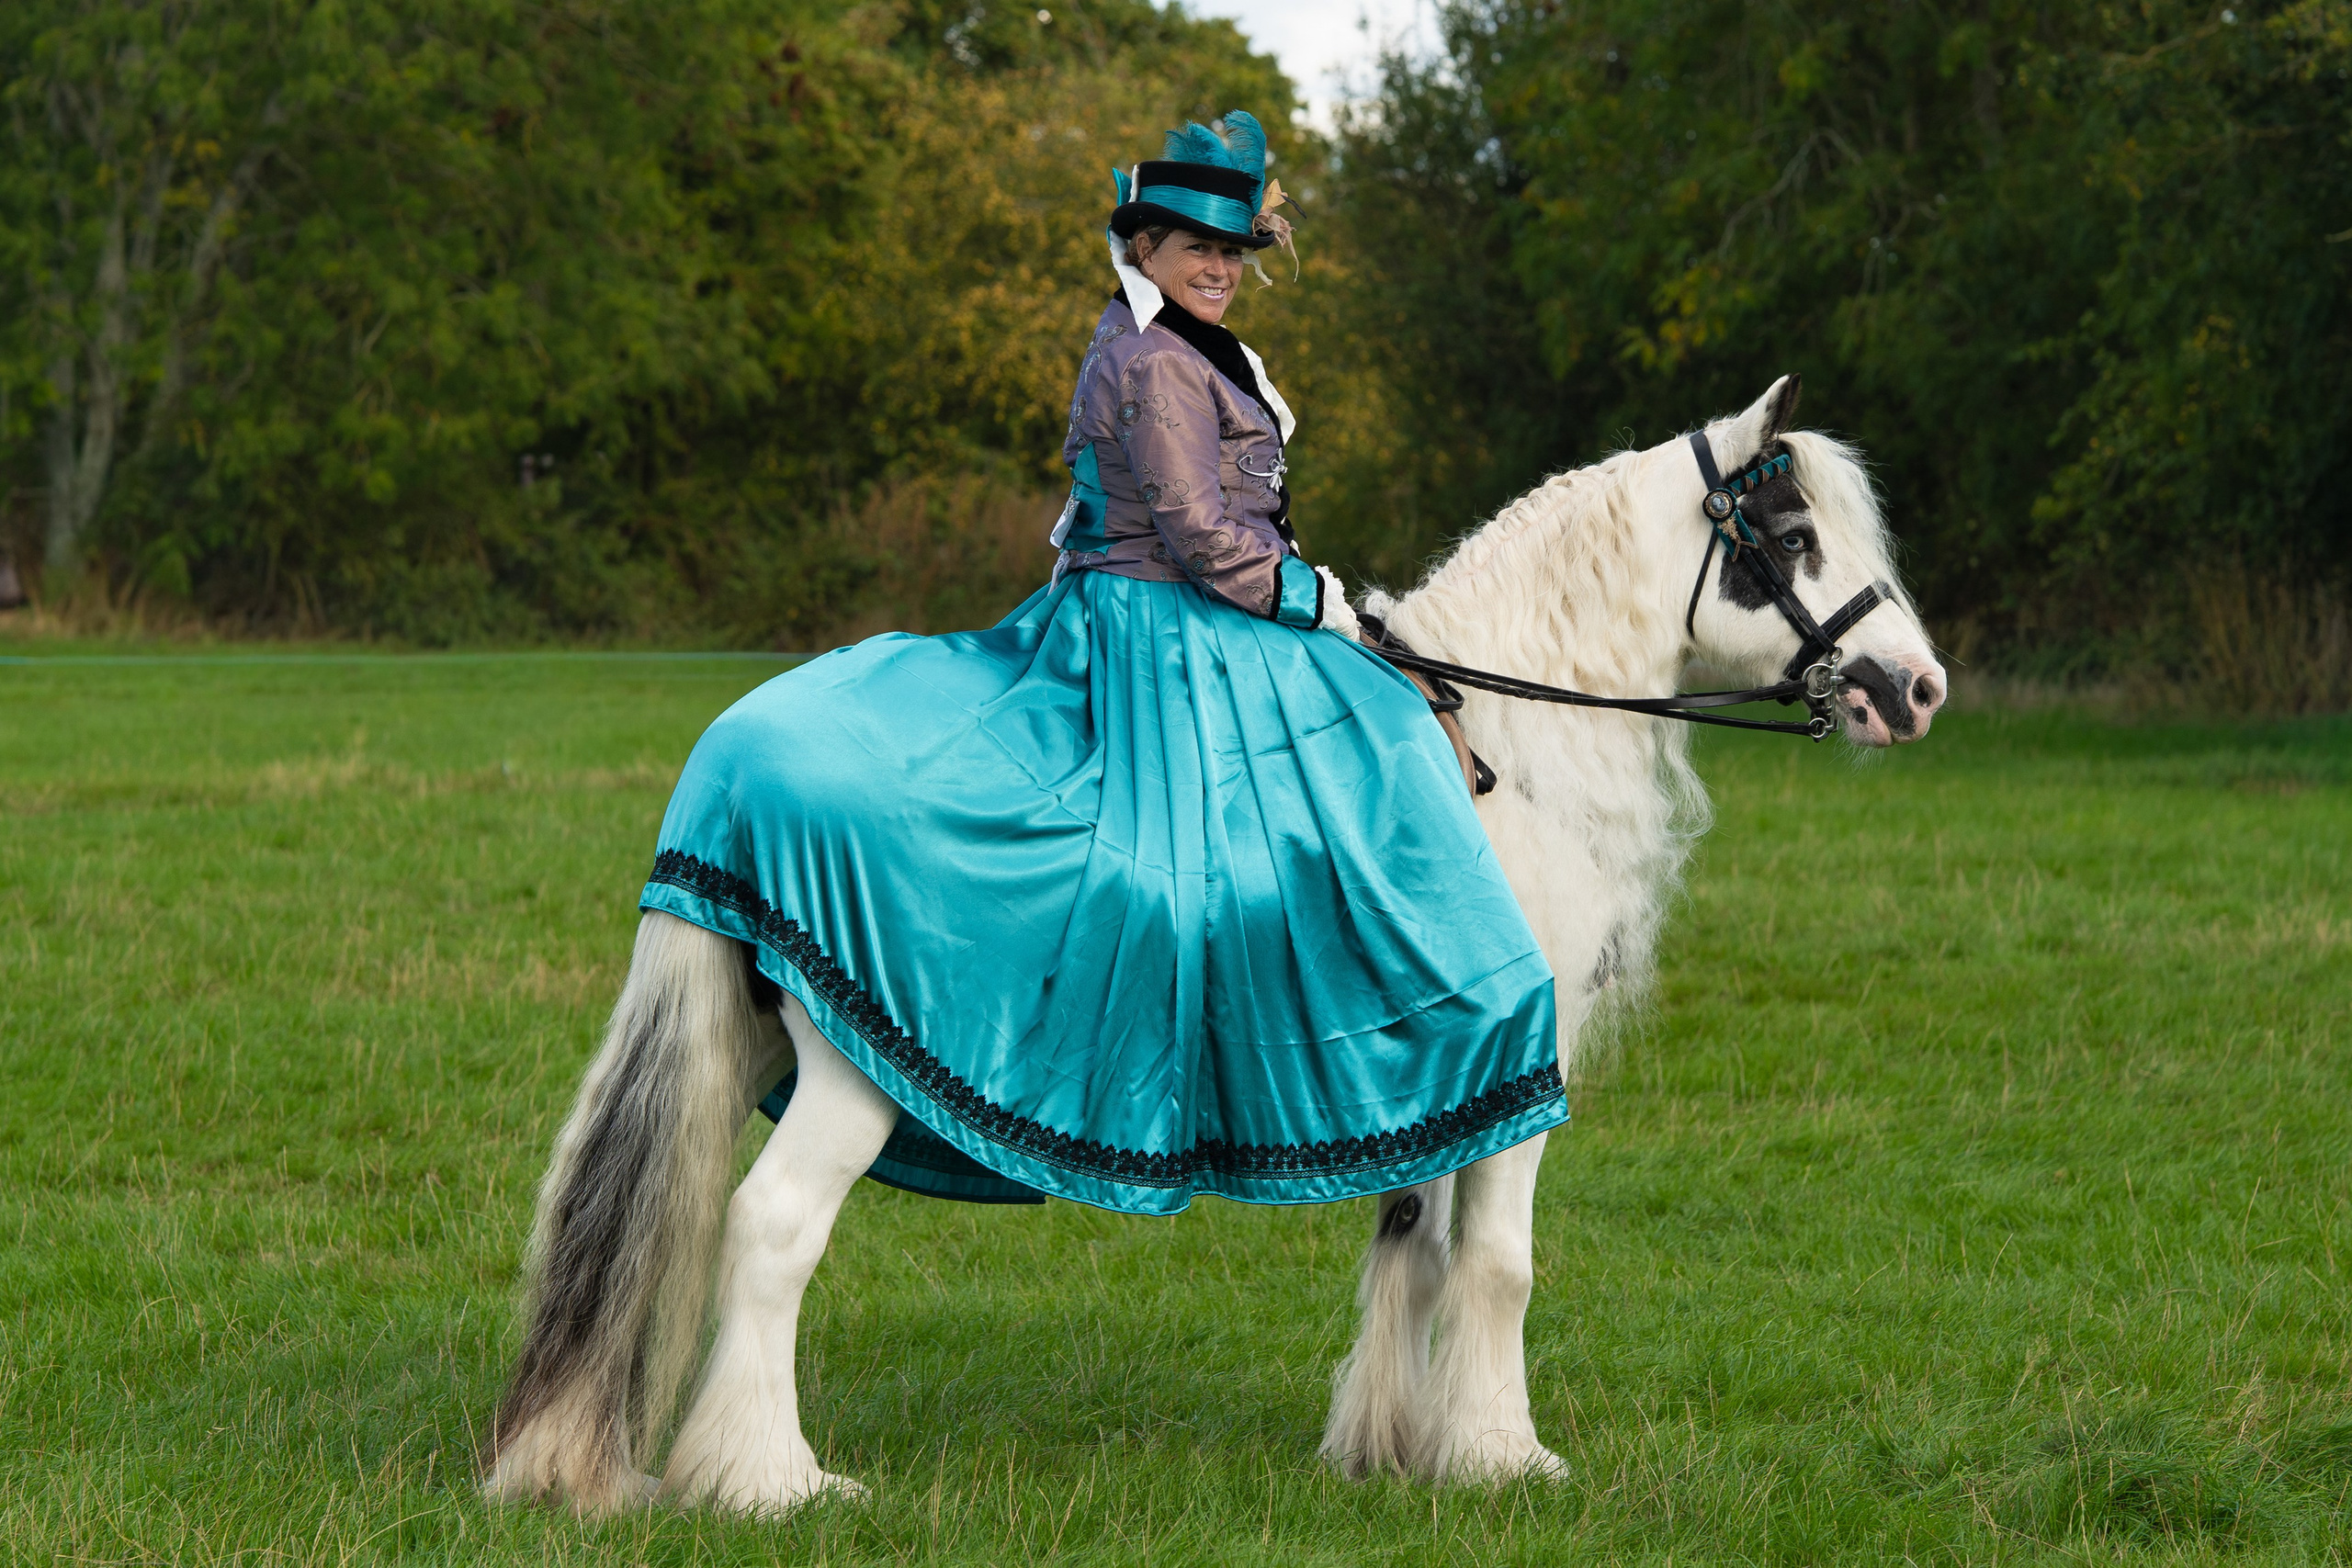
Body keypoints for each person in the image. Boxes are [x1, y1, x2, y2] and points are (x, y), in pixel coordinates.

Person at [640, 111, 1564, 1213]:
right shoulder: (1158, 361)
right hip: (1166, 627)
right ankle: (1393, 1005)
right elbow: (1198, 532)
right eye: (1195, 248)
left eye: (1233, 250)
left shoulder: (1182, 346)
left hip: (1169, 604)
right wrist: (1325, 604)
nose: (1219, 266)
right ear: (1145, 251)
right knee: (1354, 754)